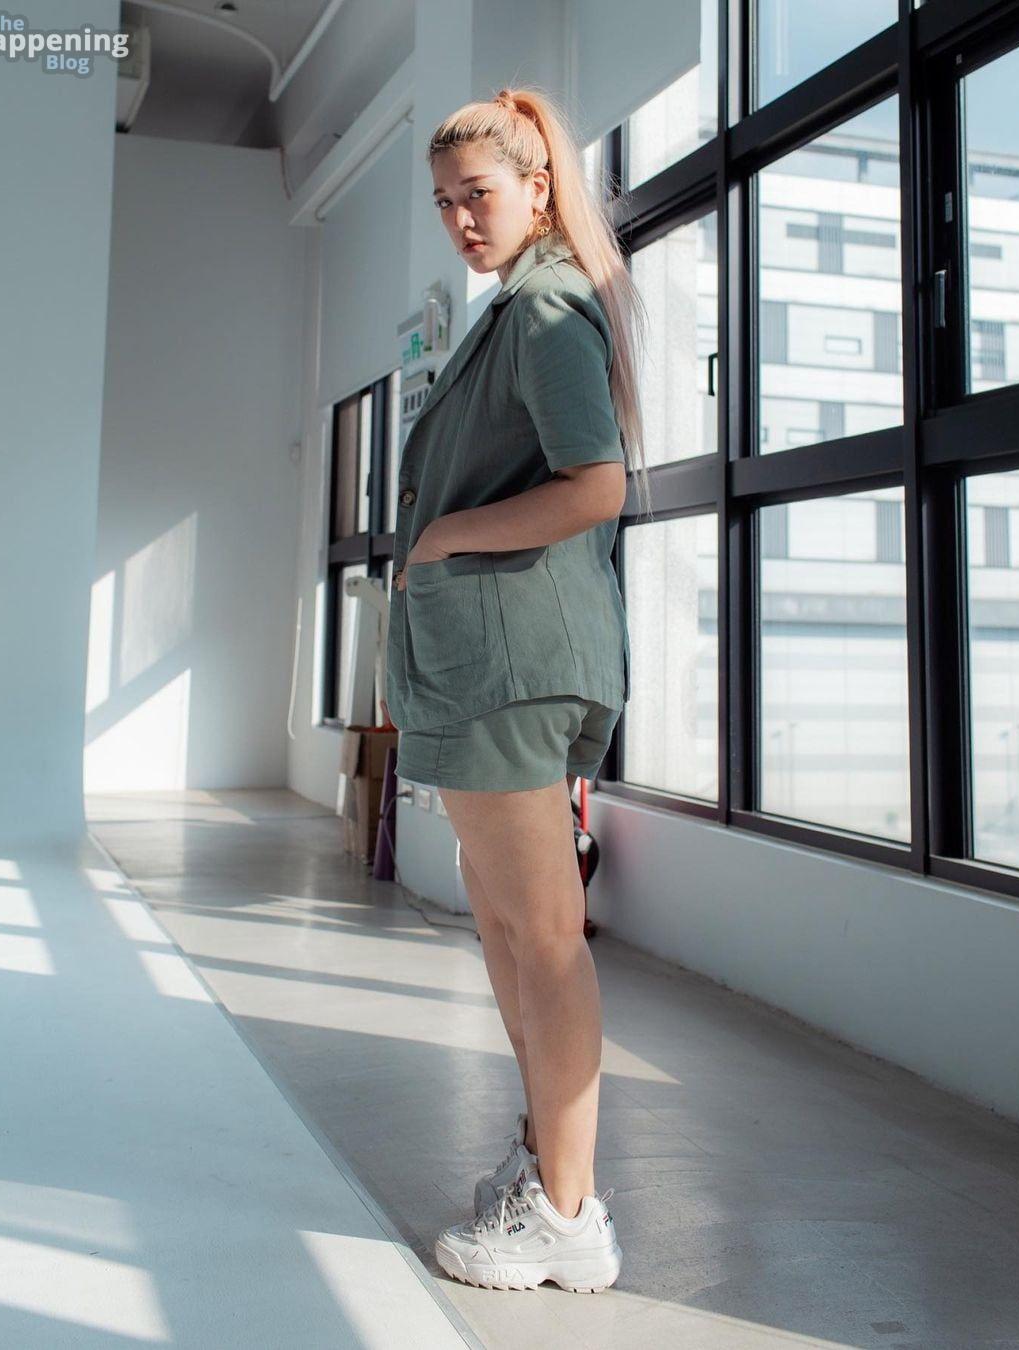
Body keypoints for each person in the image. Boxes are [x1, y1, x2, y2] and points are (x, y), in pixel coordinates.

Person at [381, 84, 651, 1293]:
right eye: (444, 203)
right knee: (507, 930)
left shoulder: (545, 305)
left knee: (540, 939)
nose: (459, 220)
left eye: (477, 194)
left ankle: (568, 1217)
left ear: (538, 190)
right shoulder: (518, 305)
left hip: (511, 662)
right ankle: (548, 1167)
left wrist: (444, 540)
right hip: (492, 658)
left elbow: (596, 485)